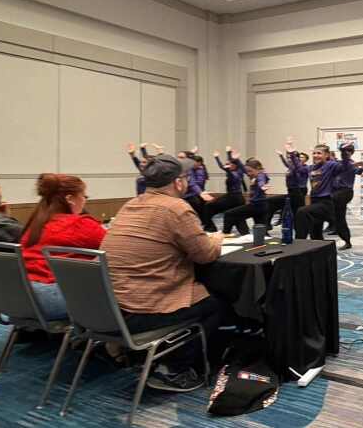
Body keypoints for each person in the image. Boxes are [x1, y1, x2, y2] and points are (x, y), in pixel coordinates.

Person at [101, 154, 225, 392]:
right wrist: (217, 239)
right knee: (217, 305)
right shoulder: (176, 208)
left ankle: (149, 353)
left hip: (111, 307)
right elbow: (205, 254)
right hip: (143, 308)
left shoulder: (131, 204)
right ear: (178, 183)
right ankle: (174, 367)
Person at [19, 174, 106, 320]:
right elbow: (115, 247)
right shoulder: (78, 224)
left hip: (18, 295)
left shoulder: (35, 224)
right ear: (70, 198)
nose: (85, 201)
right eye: (84, 196)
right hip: (51, 299)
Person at [288, 140, 353, 240]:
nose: (315, 155)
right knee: (315, 233)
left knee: (302, 212)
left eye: (319, 153)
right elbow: (299, 169)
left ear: (326, 155)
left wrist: (344, 152)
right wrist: (292, 154)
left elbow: (345, 166)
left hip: (325, 203)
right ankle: (319, 252)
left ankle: (299, 243)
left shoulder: (331, 165)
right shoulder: (311, 168)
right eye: (314, 153)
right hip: (314, 202)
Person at [201, 147, 247, 232]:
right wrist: (223, 155)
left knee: (208, 206)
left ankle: (210, 227)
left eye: (229, 164)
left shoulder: (234, 173)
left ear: (234, 165)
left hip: (233, 198)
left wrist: (222, 157)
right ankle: (244, 231)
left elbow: (228, 170)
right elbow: (223, 166)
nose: (227, 165)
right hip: (238, 198)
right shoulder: (238, 171)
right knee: (237, 216)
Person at [222, 158, 269, 236]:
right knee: (262, 231)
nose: (248, 173)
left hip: (257, 206)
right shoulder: (256, 174)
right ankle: (246, 235)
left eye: (250, 171)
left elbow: (261, 181)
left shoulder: (261, 175)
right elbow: (243, 168)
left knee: (229, 214)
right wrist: (237, 160)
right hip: (261, 206)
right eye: (248, 171)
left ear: (257, 169)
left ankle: (225, 235)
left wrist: (262, 186)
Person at [331, 144, 363, 250]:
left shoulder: (349, 163)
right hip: (337, 192)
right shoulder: (339, 163)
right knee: (337, 217)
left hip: (344, 192)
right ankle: (335, 228)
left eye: (349, 151)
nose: (347, 152)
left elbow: (358, 171)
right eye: (346, 151)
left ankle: (347, 240)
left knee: (340, 218)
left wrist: (362, 166)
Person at [277, 148, 310, 219]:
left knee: (299, 207)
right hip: (293, 189)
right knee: (291, 206)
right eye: (288, 157)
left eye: (302, 157)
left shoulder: (304, 168)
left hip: (300, 189)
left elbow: (297, 168)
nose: (301, 158)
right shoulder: (292, 166)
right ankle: (285, 219)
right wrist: (281, 156)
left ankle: (302, 221)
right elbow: (286, 164)